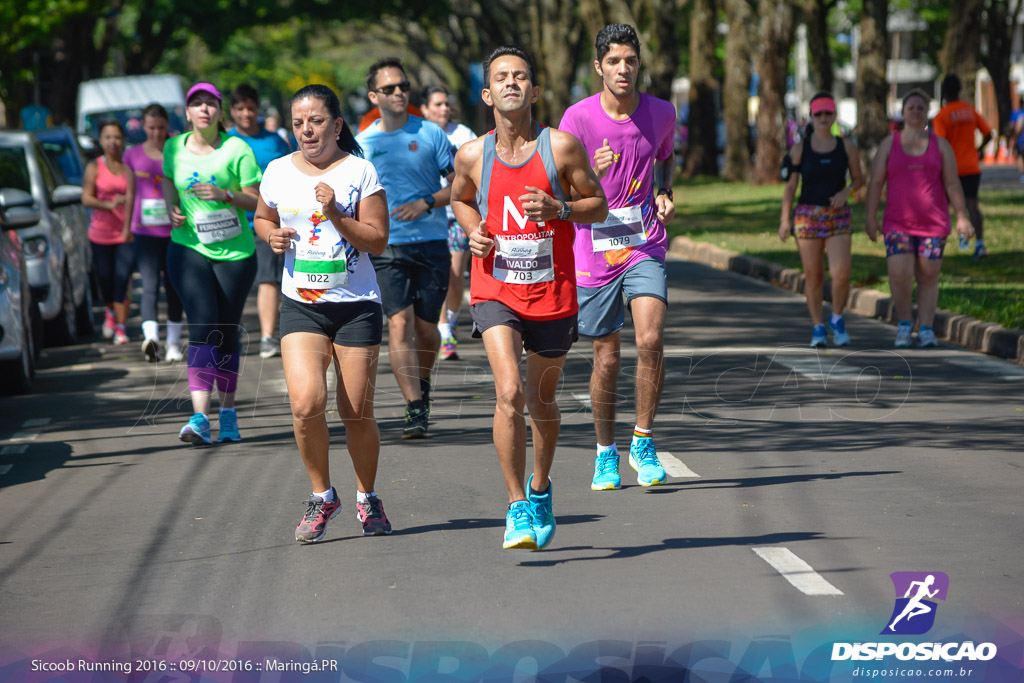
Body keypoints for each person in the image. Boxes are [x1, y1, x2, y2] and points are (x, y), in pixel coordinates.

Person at [451, 47, 607, 549]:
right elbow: (458, 197)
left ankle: (541, 487)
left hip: (553, 292)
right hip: (495, 288)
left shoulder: (560, 148)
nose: (511, 83)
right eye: (501, 77)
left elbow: (598, 206)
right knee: (509, 393)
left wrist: (560, 208)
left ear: (535, 91)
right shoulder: (473, 154)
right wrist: (474, 229)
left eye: (520, 77)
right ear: (486, 92)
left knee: (541, 400)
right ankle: (517, 505)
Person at [254, 84, 392, 542]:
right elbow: (262, 217)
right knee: (305, 404)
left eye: (315, 121)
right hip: (302, 306)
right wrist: (269, 235)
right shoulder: (276, 171)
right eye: (297, 123)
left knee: (356, 411)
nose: (306, 130)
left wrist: (335, 212)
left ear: (335, 124)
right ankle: (321, 495)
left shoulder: (360, 172)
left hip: (356, 308)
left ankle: (367, 497)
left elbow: (377, 240)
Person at [558, 24, 676, 490]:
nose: (623, 69)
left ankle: (643, 440)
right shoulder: (578, 118)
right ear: (598, 67)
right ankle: (606, 451)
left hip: (644, 240)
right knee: (606, 358)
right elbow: (560, 190)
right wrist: (592, 172)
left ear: (639, 63)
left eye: (630, 60)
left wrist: (665, 190)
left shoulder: (662, 112)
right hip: (594, 246)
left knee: (651, 339)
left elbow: (665, 155)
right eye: (614, 61)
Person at [356, 58, 455, 439]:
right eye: (389, 88)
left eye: (404, 86)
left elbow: (460, 188)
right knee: (400, 324)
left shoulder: (431, 133)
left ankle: (423, 385)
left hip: (431, 243)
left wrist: (427, 202)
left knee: (428, 331)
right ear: (373, 96)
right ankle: (415, 407)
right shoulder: (363, 144)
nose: (399, 93)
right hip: (387, 247)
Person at [162, 82, 262, 445]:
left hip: (235, 254)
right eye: (196, 103)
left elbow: (258, 201)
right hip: (187, 247)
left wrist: (227, 195)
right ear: (187, 113)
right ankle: (200, 416)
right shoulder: (173, 146)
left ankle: (229, 413)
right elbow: (167, 182)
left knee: (226, 331)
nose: (203, 109)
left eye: (210, 103)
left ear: (220, 111)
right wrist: (173, 207)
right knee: (202, 324)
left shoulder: (237, 149)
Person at [865, 90, 974, 348]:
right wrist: (870, 217)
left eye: (920, 108)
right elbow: (876, 183)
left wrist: (961, 216)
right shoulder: (889, 144)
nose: (915, 112)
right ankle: (904, 324)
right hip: (897, 223)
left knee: (928, 275)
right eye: (910, 107)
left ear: (927, 113)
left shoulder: (941, 145)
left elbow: (952, 183)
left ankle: (926, 328)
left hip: (933, 224)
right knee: (898, 273)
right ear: (902, 113)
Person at [779, 92, 865, 348]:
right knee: (813, 275)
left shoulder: (846, 146)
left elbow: (860, 179)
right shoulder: (800, 148)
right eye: (819, 114)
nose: (824, 118)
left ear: (835, 115)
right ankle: (818, 326)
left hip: (837, 215)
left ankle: (837, 318)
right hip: (808, 216)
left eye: (829, 113)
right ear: (811, 117)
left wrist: (846, 192)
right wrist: (785, 220)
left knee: (841, 273)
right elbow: (791, 186)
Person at [227, 84, 293, 359]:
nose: (246, 114)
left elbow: (291, 174)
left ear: (258, 110)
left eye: (250, 108)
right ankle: (230, 335)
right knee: (231, 281)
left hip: (267, 221)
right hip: (231, 222)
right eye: (240, 109)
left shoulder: (275, 141)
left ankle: (267, 336)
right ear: (231, 111)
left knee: (268, 279)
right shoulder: (225, 141)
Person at [123, 103, 185, 362]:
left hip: (175, 233)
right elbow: (130, 193)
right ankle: (151, 339)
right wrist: (126, 227)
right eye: (151, 128)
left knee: (173, 287)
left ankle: (173, 343)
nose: (157, 133)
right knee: (149, 286)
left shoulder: (178, 152)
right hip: (144, 233)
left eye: (161, 128)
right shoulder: (133, 155)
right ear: (143, 127)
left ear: (167, 126)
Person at [420, 85, 477, 361]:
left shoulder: (464, 134)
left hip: (456, 216)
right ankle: (441, 330)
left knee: (454, 277)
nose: (444, 109)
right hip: (428, 215)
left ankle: (449, 323)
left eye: (446, 104)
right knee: (434, 278)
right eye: (438, 104)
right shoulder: (418, 134)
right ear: (425, 109)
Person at [81, 119, 132, 346]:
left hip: (124, 235)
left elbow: (131, 198)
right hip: (100, 234)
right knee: (105, 279)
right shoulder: (94, 167)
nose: (113, 142)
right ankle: (110, 312)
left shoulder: (127, 168)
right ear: (101, 141)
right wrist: (109, 205)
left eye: (117, 137)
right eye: (108, 137)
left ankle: (120, 327)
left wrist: (127, 228)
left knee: (122, 279)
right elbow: (86, 198)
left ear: (123, 141)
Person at [932, 74, 992, 259]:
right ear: (959, 90)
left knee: (949, 207)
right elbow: (988, 133)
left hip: (952, 168)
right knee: (972, 205)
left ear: (944, 92)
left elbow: (940, 143)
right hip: (972, 166)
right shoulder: (970, 110)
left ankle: (956, 244)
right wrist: (979, 150)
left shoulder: (942, 116)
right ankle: (979, 244)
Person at [1010, 96, 1024, 183]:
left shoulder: (1017, 114)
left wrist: (1013, 140)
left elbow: (1014, 127)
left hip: (1021, 141)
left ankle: (1023, 175)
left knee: (1020, 158)